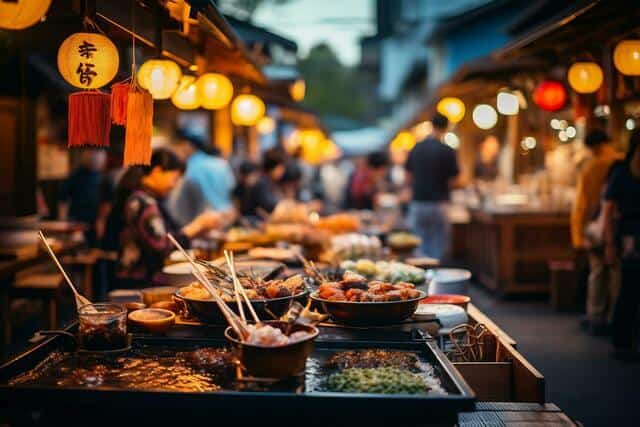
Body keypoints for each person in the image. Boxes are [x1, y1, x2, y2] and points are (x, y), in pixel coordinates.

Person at [112, 149, 221, 288]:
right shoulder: (143, 201)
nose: (174, 185)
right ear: (157, 171)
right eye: (174, 178)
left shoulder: (141, 197)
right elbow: (162, 246)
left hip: (137, 278)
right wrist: (198, 225)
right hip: (138, 282)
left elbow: (168, 235)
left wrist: (200, 229)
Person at [571, 129, 624, 335]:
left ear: (594, 147)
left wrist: (578, 236)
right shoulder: (622, 161)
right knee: (616, 275)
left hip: (596, 227)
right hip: (619, 226)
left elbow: (581, 204)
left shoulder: (592, 167)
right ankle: (614, 317)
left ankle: (595, 316)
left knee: (597, 273)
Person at [603, 129, 640, 359]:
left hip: (629, 234)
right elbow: (608, 210)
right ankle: (622, 342)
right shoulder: (622, 173)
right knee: (629, 289)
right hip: (629, 236)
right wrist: (609, 242)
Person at [405, 112, 460, 259]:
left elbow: (408, 175)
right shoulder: (447, 150)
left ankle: (422, 277)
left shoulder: (416, 147)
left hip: (418, 202)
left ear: (431, 126)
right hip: (439, 203)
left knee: (419, 244)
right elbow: (454, 180)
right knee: (438, 245)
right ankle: (435, 276)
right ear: (446, 128)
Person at [168, 131, 235, 226]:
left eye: (181, 145)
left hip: (205, 219)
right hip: (227, 214)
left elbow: (184, 196)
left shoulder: (189, 166)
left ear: (188, 146)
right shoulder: (221, 163)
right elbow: (231, 187)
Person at [58, 150, 106, 245]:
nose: (95, 157)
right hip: (77, 222)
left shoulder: (102, 176)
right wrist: (63, 220)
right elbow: (62, 198)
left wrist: (101, 220)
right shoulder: (76, 176)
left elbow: (105, 201)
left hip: (94, 222)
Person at [242, 148, 287, 217]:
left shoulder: (266, 181)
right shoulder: (262, 183)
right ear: (274, 167)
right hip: (253, 223)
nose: (283, 171)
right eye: (281, 167)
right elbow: (271, 206)